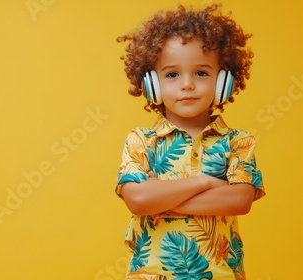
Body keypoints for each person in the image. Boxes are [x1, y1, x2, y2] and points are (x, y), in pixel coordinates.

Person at [114, 4, 266, 280]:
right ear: (152, 84)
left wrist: (161, 199)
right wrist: (206, 183)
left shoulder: (238, 141)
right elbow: (137, 200)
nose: (187, 84)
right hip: (150, 274)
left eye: (201, 73)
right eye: (172, 74)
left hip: (221, 274)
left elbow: (240, 200)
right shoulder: (141, 140)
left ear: (224, 81)